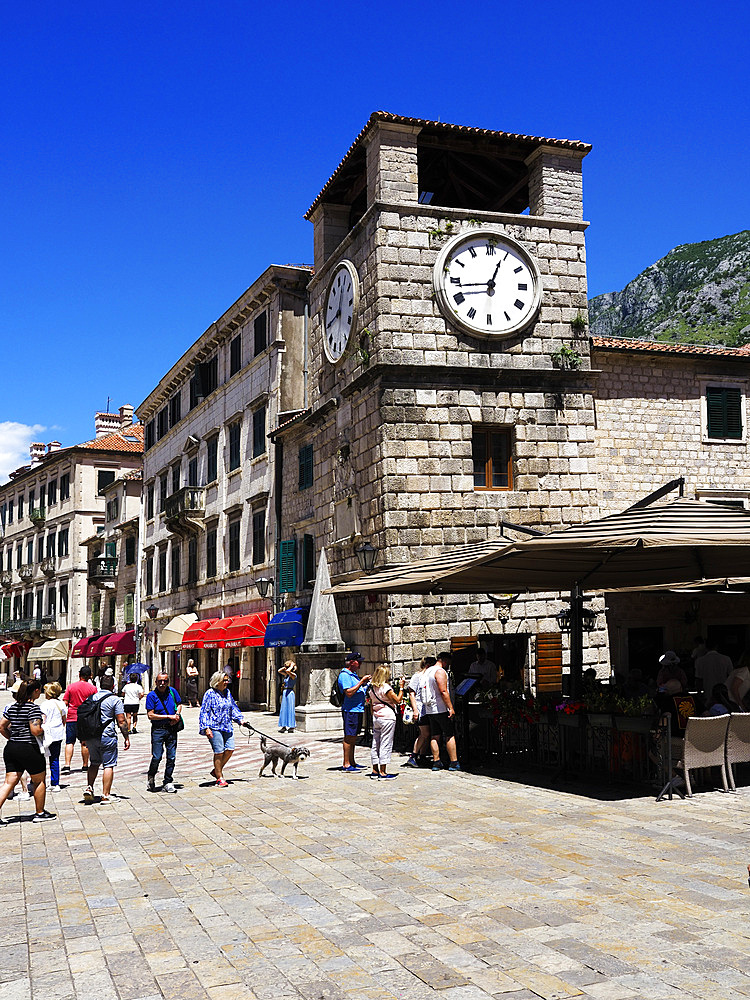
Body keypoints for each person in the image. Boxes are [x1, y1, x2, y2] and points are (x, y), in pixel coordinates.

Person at [0, 678, 56, 823]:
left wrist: (12, 737)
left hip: (11, 747)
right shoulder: (33, 709)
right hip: (29, 748)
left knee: (8, 782)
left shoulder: (12, 707)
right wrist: (45, 729)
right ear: (36, 691)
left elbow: (2, 726)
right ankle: (40, 813)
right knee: (39, 781)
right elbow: (35, 730)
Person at [83, 674, 130, 805]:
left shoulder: (92, 698)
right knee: (108, 764)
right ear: (112, 686)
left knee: (94, 762)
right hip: (107, 735)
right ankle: (106, 795)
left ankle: (89, 787)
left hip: (92, 736)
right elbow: (121, 721)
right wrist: (126, 737)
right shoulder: (115, 700)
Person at [199, 670, 249, 787]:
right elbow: (204, 712)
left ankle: (216, 770)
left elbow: (233, 708)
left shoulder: (227, 692)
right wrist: (206, 727)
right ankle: (219, 777)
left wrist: (240, 720)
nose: (227, 682)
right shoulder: (209, 694)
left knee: (230, 749)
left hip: (227, 726)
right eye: (224, 680)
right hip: (214, 726)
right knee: (219, 751)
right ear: (218, 681)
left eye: (227, 680)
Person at [421, 657, 460, 771]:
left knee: (435, 735)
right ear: (445, 661)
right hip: (440, 708)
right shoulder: (440, 671)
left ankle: (436, 761)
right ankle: (454, 762)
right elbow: (443, 691)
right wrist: (450, 708)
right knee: (449, 734)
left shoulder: (428, 671)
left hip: (430, 708)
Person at [146, 672, 182, 793]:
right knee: (157, 756)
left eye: (165, 681)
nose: (162, 683)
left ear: (168, 682)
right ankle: (151, 776)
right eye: (160, 681)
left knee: (171, 756)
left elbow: (179, 703)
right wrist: (168, 716)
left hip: (172, 729)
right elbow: (150, 715)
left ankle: (168, 781)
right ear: (156, 682)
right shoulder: (151, 695)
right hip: (158, 730)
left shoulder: (172, 691)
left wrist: (177, 715)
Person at [367, 663, 404, 779]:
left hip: (377, 717)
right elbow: (398, 700)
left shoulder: (372, 688)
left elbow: (372, 705)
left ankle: (374, 770)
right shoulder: (386, 688)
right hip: (387, 717)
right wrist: (401, 687)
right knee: (386, 743)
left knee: (376, 743)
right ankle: (383, 771)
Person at [337, 652, 371, 773]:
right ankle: (346, 764)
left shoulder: (353, 675)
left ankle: (352, 762)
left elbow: (358, 690)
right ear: (352, 662)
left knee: (354, 737)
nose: (360, 663)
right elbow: (349, 692)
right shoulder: (345, 675)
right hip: (350, 710)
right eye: (358, 661)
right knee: (349, 737)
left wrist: (365, 685)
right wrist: (361, 682)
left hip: (357, 709)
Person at [62, 665, 97, 774]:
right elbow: (95, 703)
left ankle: (67, 765)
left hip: (71, 717)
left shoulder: (71, 687)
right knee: (84, 742)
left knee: (69, 742)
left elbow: (65, 702)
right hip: (85, 718)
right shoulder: (93, 689)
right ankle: (85, 765)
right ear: (90, 676)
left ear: (79, 675)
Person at [404, 656, 436, 768]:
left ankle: (422, 756)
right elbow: (411, 694)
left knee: (426, 734)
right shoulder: (417, 676)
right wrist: (415, 710)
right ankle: (413, 756)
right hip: (420, 709)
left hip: (427, 709)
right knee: (425, 733)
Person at [40, 682, 66, 792]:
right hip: (58, 734)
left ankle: (39, 781)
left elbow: (43, 719)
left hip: (46, 734)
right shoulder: (62, 704)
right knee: (55, 759)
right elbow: (64, 719)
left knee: (41, 758)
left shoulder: (45, 705)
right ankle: (55, 783)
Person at [278, 660, 297, 733]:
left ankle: (292, 726)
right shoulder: (287, 675)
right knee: (284, 709)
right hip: (285, 692)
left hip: (290, 692)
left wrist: (291, 666)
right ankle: (284, 725)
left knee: (290, 709)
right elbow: (279, 670)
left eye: (287, 667)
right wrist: (285, 667)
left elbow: (289, 671)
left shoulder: (293, 675)